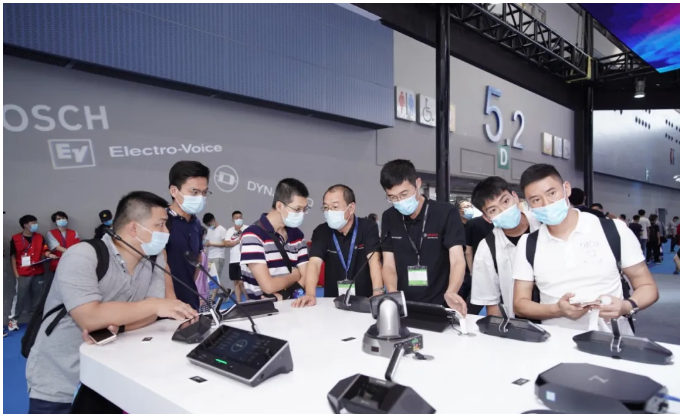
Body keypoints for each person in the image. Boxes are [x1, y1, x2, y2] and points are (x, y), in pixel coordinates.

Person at [25, 191, 197, 414]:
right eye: (160, 225)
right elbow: (89, 317)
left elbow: (151, 315)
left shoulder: (154, 258)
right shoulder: (82, 255)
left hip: (112, 377)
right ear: (134, 228)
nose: (166, 232)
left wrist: (119, 324)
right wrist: (153, 306)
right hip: (60, 380)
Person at [512, 164, 658, 334]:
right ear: (528, 204)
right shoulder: (528, 244)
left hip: (614, 339)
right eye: (536, 200)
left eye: (552, 193)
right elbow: (520, 304)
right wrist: (556, 310)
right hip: (555, 342)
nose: (547, 204)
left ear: (566, 189)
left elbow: (648, 286)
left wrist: (626, 306)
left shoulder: (613, 230)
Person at [378, 160, 467, 312]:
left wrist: (452, 291)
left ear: (418, 183)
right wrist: (393, 293)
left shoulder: (445, 212)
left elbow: (457, 259)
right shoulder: (389, 217)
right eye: (392, 197)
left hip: (441, 301)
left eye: (404, 194)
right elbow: (388, 264)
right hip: (405, 303)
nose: (400, 201)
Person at [293, 185, 383, 307]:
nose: (329, 212)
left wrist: (377, 292)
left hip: (365, 300)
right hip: (332, 302)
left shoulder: (368, 227)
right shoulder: (321, 231)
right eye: (326, 207)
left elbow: (374, 261)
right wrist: (310, 294)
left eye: (335, 207)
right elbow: (314, 264)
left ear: (351, 208)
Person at [469, 177, 541, 317]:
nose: (503, 210)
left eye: (505, 201)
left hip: (561, 317)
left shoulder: (544, 223)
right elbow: (492, 305)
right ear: (487, 218)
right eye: (493, 210)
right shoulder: (487, 249)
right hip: (519, 322)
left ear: (515, 197)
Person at [240, 178, 309, 301]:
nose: (302, 214)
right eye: (297, 209)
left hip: (294, 306)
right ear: (279, 206)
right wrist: (295, 275)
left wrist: (283, 295)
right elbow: (268, 286)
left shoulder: (297, 235)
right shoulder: (252, 235)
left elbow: (306, 277)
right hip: (264, 310)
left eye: (304, 209)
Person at [165, 160, 210, 310]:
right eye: (194, 192)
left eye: (204, 192)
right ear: (174, 191)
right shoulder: (161, 222)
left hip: (191, 304)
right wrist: (172, 302)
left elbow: (196, 260)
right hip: (167, 307)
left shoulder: (196, 223)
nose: (200, 197)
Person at [8, 215, 57, 332]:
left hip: (38, 272)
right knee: (20, 297)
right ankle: (13, 320)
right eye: (33, 223)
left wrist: (49, 255)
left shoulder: (39, 237)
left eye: (36, 222)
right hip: (23, 273)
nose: (35, 225)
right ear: (25, 225)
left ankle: (36, 321)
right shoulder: (15, 238)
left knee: (38, 298)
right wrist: (16, 274)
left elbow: (45, 250)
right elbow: (13, 257)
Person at [46, 211, 81, 277]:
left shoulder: (74, 232)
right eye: (58, 219)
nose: (61, 220)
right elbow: (57, 247)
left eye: (63, 218)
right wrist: (71, 252)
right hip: (58, 263)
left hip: (72, 263)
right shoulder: (51, 233)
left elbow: (78, 246)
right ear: (55, 222)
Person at [202, 212, 228, 299]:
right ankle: (226, 291)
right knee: (211, 278)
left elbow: (225, 244)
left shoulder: (222, 230)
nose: (209, 226)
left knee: (215, 278)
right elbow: (207, 241)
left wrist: (211, 244)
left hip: (219, 256)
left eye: (209, 224)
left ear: (213, 220)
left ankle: (212, 298)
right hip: (210, 256)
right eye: (207, 225)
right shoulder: (210, 230)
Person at [225, 211, 246, 302]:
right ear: (232, 220)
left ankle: (248, 300)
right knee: (236, 282)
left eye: (240, 217)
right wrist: (237, 240)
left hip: (244, 258)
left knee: (242, 282)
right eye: (236, 218)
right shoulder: (230, 231)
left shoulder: (247, 228)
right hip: (233, 260)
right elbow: (226, 244)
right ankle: (238, 302)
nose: (238, 219)